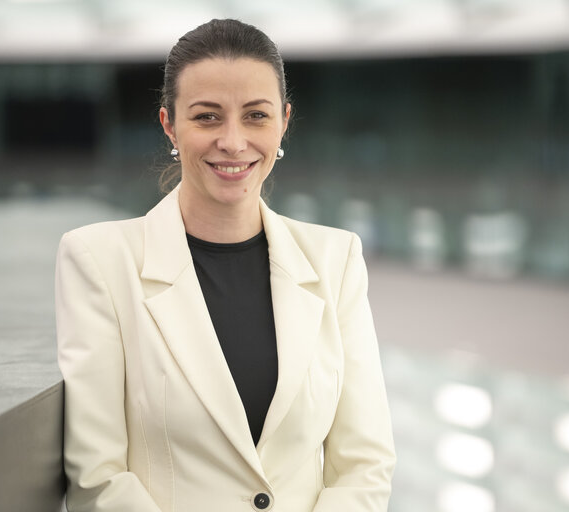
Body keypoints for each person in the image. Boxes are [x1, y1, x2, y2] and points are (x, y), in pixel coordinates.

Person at [55, 18, 395, 512]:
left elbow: (364, 464)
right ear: (170, 124)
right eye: (208, 117)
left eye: (256, 115)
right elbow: (98, 477)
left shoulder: (335, 260)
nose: (233, 142)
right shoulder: (100, 261)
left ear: (284, 121)